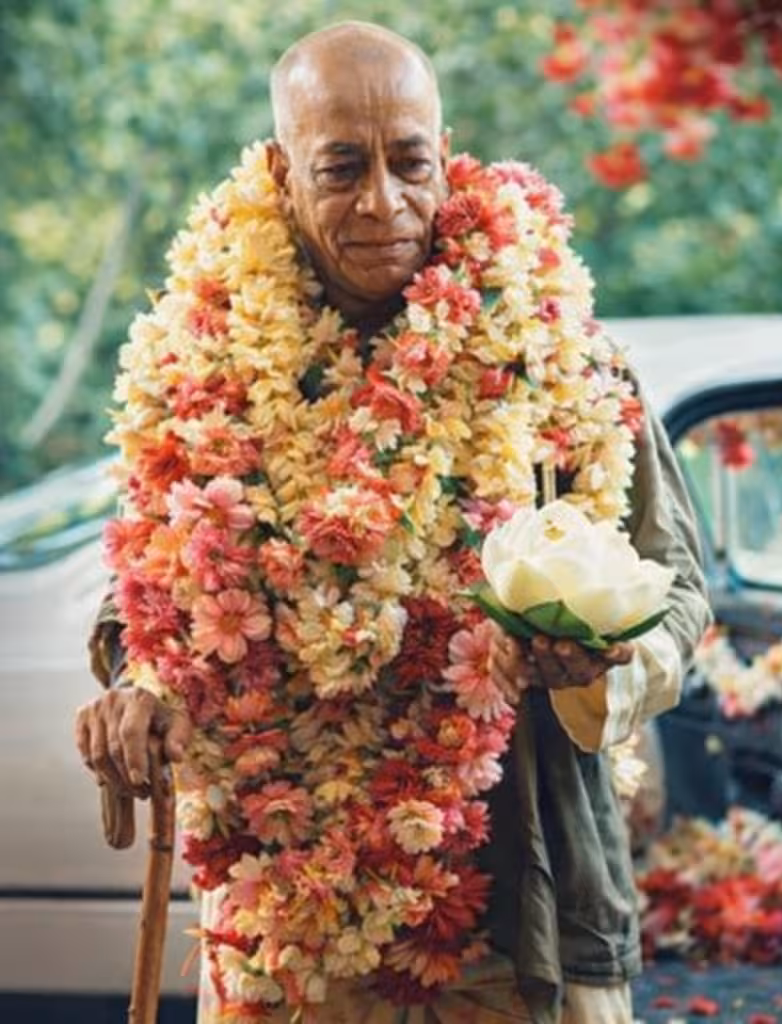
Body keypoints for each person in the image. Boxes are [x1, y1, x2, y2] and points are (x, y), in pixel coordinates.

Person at [74, 20, 711, 1024]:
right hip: (288, 907)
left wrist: (594, 662)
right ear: (282, 173)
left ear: (444, 154)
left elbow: (675, 587)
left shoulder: (566, 358)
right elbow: (145, 593)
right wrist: (135, 681)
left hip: (520, 904)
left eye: (410, 161)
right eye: (341, 168)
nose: (384, 201)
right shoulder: (198, 370)